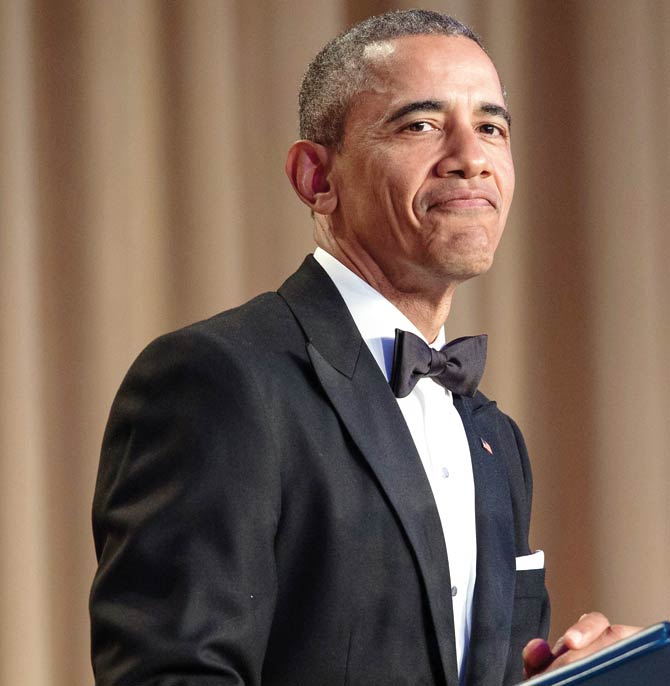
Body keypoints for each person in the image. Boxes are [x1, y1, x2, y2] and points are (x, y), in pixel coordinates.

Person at [90, 9, 638, 686]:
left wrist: (595, 675)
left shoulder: (495, 439)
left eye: (491, 126)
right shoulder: (218, 379)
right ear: (317, 179)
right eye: (422, 124)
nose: (472, 157)